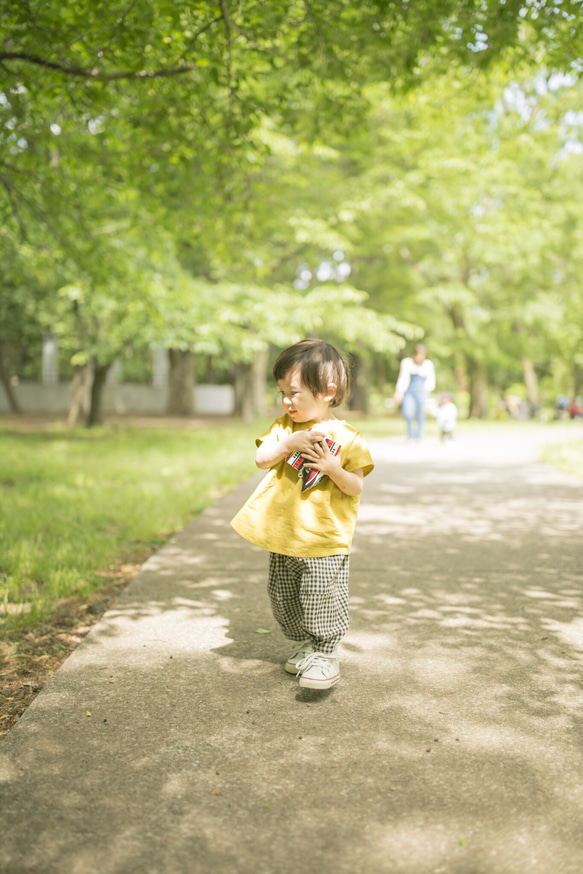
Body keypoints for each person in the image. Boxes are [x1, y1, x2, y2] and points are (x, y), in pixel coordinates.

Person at [230, 339, 374, 690]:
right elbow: (262, 459)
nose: (286, 401)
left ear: (327, 391)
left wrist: (333, 468)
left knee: (321, 594)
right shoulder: (284, 428)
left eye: (294, 393)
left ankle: (325, 652)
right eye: (282, 392)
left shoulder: (348, 438)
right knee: (283, 595)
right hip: (283, 533)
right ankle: (304, 643)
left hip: (325, 537)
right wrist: (288, 444)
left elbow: (355, 486)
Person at [393, 343, 436, 440]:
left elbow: (431, 380)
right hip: (409, 391)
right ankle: (410, 434)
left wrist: (427, 391)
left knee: (421, 414)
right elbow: (403, 378)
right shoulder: (407, 363)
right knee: (408, 413)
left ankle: (419, 436)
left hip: (422, 391)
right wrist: (399, 391)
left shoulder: (428, 365)